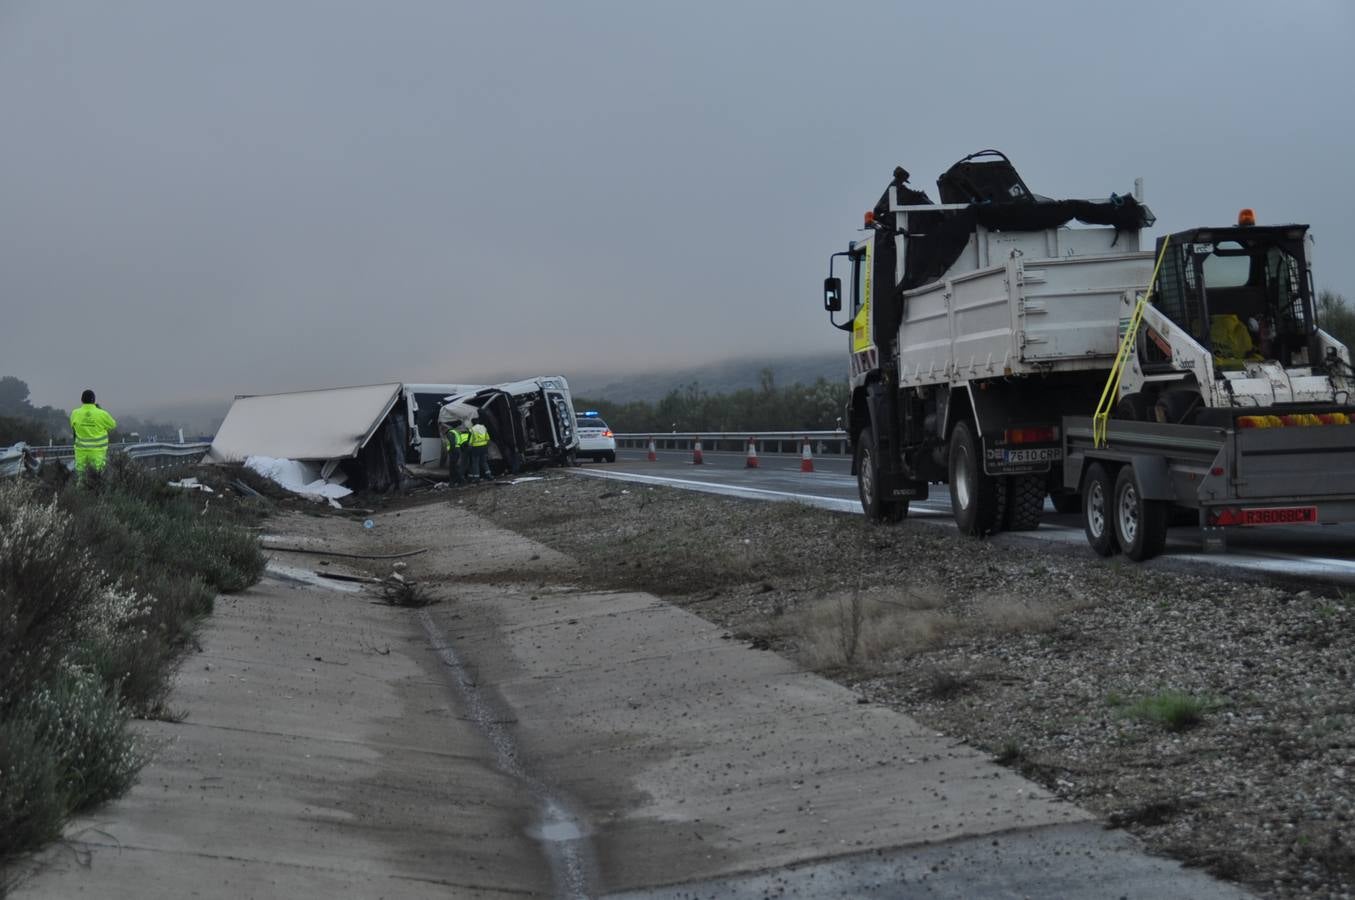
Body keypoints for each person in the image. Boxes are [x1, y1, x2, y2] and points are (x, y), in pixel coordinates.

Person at [70, 389, 117, 477]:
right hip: (97, 452)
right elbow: (113, 425)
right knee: (97, 478)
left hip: (81, 452)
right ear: (94, 400)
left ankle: (81, 491)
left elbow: (73, 426)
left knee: (81, 477)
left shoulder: (74, 413)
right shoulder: (102, 414)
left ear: (81, 400)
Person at [443, 418, 469, 485]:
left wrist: (451, 450)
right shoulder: (456, 432)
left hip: (453, 451)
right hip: (457, 450)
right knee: (454, 467)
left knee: (453, 467)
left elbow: (452, 443)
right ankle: (456, 481)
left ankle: (459, 481)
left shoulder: (450, 433)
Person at [467, 417, 492, 481]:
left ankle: (476, 478)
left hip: (476, 448)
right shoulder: (483, 427)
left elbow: (470, 440)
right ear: (478, 421)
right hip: (484, 446)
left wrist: (469, 447)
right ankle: (489, 475)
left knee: (475, 463)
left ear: (472, 423)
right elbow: (488, 438)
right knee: (484, 462)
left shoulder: (472, 429)